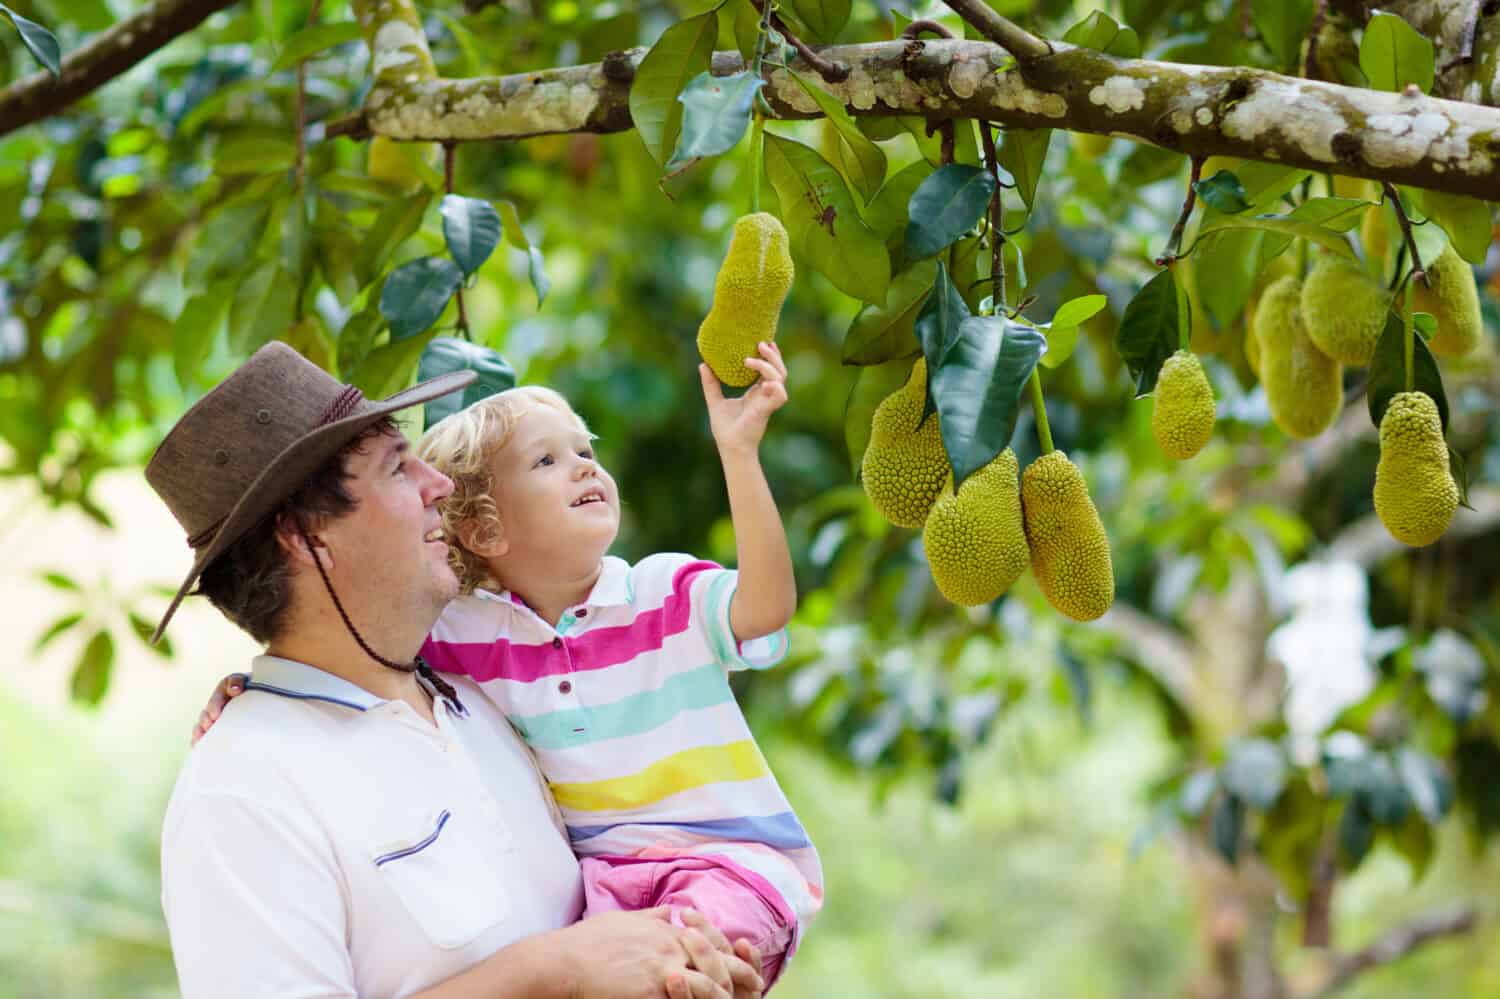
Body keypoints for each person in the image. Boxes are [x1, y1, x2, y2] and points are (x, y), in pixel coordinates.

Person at [150, 341, 762, 999]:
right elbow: (579, 961)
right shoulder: (243, 788)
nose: (439, 483)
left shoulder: (487, 698)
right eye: (396, 468)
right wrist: (559, 971)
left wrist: (690, 967)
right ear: (303, 535)